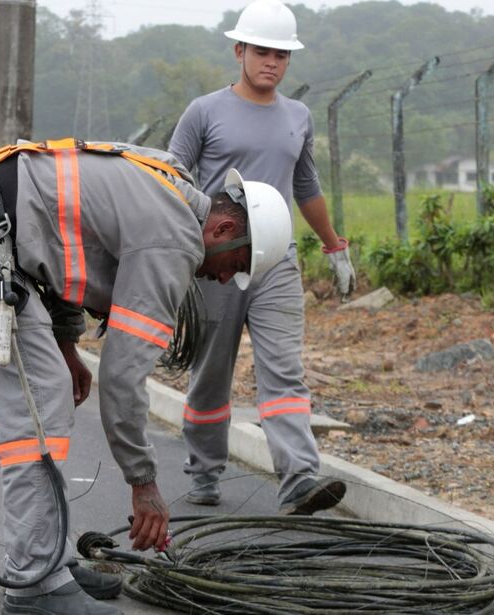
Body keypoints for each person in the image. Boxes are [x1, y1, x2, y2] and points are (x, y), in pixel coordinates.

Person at [0, 138, 291, 615]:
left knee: (43, 398)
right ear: (224, 228)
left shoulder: (169, 183)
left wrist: (66, 344)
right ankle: (34, 586)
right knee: (35, 409)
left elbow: (59, 236)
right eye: (237, 265)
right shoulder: (172, 240)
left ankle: (48, 561)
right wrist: (143, 483)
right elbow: (124, 376)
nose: (227, 280)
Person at [168, 0, 356, 515]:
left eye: (281, 55)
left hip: (277, 259)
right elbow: (169, 179)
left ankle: (298, 476)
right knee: (211, 369)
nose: (271, 62)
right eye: (262, 52)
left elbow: (305, 185)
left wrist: (334, 244)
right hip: (217, 262)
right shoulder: (204, 111)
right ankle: (204, 469)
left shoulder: (298, 116)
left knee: (284, 369)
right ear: (240, 51)